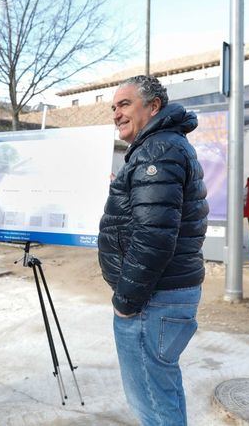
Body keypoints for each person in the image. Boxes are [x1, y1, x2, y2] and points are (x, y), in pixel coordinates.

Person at [98, 75, 208, 425]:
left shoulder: (157, 150)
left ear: (154, 106)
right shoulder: (161, 147)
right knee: (162, 391)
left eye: (125, 103)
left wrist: (126, 301)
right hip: (163, 295)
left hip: (151, 300)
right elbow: (153, 218)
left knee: (152, 403)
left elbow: (154, 237)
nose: (116, 113)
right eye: (114, 106)